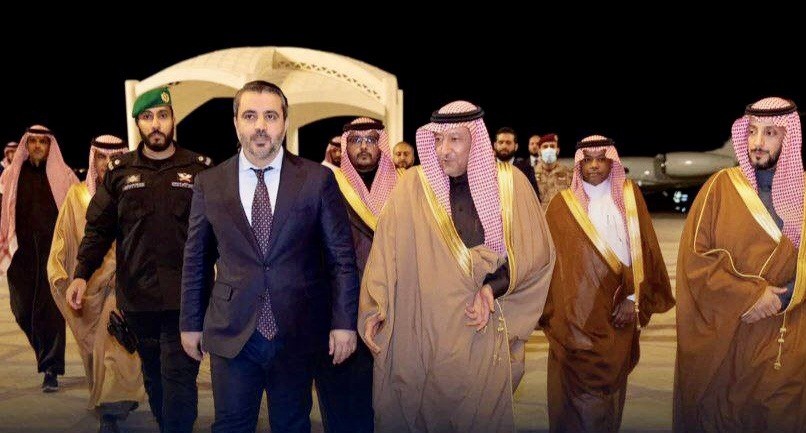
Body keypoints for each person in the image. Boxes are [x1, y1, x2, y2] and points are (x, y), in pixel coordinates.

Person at [359, 101, 555, 433]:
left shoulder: (511, 185)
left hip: (481, 327)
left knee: (481, 417)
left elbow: (536, 253)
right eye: (437, 140)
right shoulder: (412, 186)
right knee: (422, 413)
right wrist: (376, 306)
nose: (443, 151)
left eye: (454, 140)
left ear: (476, 140)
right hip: (422, 328)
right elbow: (386, 251)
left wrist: (491, 288)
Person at [180, 80, 359, 433]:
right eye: (250, 116)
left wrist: (343, 323)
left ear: (285, 122)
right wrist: (190, 323)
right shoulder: (209, 183)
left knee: (292, 424)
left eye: (270, 116)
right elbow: (196, 259)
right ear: (236, 123)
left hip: (297, 331)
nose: (260, 126)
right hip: (232, 331)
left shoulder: (317, 180)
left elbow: (341, 258)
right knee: (231, 425)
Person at [67, 87, 211, 433]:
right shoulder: (120, 172)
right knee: (154, 376)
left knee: (178, 378)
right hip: (138, 299)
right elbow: (98, 229)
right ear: (138, 124)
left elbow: (218, 233)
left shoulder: (199, 169)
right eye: (147, 117)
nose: (156, 124)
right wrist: (81, 273)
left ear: (173, 120)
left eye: (162, 116)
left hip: (186, 299)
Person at [675, 97, 806, 432]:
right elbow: (695, 261)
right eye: (752, 131)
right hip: (728, 336)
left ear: (789, 137)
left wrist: (785, 295)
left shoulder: (805, 194)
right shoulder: (719, 188)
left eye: (770, 133)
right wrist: (750, 296)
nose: (757, 142)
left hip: (785, 337)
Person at [540, 135, 675, 433]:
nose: (594, 166)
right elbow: (552, 267)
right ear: (579, 164)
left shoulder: (629, 197)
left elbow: (645, 250)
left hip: (617, 310)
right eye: (588, 160)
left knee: (608, 393)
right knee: (573, 392)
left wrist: (633, 298)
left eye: (601, 159)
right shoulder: (562, 205)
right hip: (575, 318)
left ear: (611, 161)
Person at [48, 134, 143, 433]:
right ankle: (111, 401)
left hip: (122, 286)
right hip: (88, 287)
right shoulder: (77, 196)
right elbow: (62, 237)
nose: (107, 163)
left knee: (114, 344)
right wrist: (59, 271)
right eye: (101, 157)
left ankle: (111, 411)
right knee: (95, 355)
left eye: (114, 157)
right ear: (93, 159)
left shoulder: (135, 193)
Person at [316, 117, 398, 433]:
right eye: (356, 140)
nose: (364, 146)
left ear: (382, 144)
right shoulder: (327, 185)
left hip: (393, 311)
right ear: (344, 145)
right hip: (341, 311)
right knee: (343, 401)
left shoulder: (402, 188)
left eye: (371, 139)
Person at [0, 125, 78, 392]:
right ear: (26, 144)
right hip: (20, 254)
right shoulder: (12, 175)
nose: (36, 146)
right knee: (21, 310)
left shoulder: (64, 175)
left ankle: (51, 368)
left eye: (42, 142)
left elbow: (77, 209)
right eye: (32, 141)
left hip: (52, 252)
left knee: (51, 312)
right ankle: (44, 352)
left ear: (49, 145)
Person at [493, 126, 540, 196]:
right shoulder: (486, 169)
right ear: (495, 145)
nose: (504, 146)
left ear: (516, 146)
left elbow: (533, 197)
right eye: (500, 142)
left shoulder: (527, 170)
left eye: (508, 143)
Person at [533, 134, 573, 208]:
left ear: (557, 150)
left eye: (552, 146)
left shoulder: (568, 173)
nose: (549, 150)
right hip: (538, 214)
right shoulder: (531, 174)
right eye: (545, 147)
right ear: (539, 151)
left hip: (560, 213)